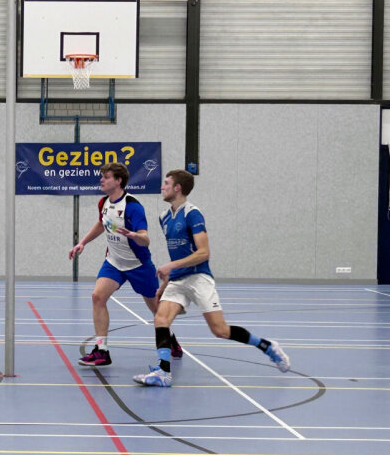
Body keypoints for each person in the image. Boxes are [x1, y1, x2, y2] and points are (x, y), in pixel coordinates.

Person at [134, 169, 290, 387]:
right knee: (161, 319)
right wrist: (166, 282)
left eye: (167, 183)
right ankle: (163, 372)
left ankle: (267, 346)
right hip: (178, 280)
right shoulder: (164, 217)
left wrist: (171, 266)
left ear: (178, 188)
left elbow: (203, 253)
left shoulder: (193, 214)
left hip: (199, 277)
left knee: (220, 330)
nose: (162, 187)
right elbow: (178, 254)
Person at [69, 162, 183, 367]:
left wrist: (134, 235)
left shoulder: (132, 206)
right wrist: (82, 242)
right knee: (97, 297)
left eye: (106, 177)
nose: (101, 180)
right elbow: (101, 223)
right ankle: (102, 351)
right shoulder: (103, 202)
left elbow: (145, 239)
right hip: (113, 262)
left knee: (157, 311)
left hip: (138, 265)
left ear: (118, 181)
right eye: (102, 176)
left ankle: (171, 339)